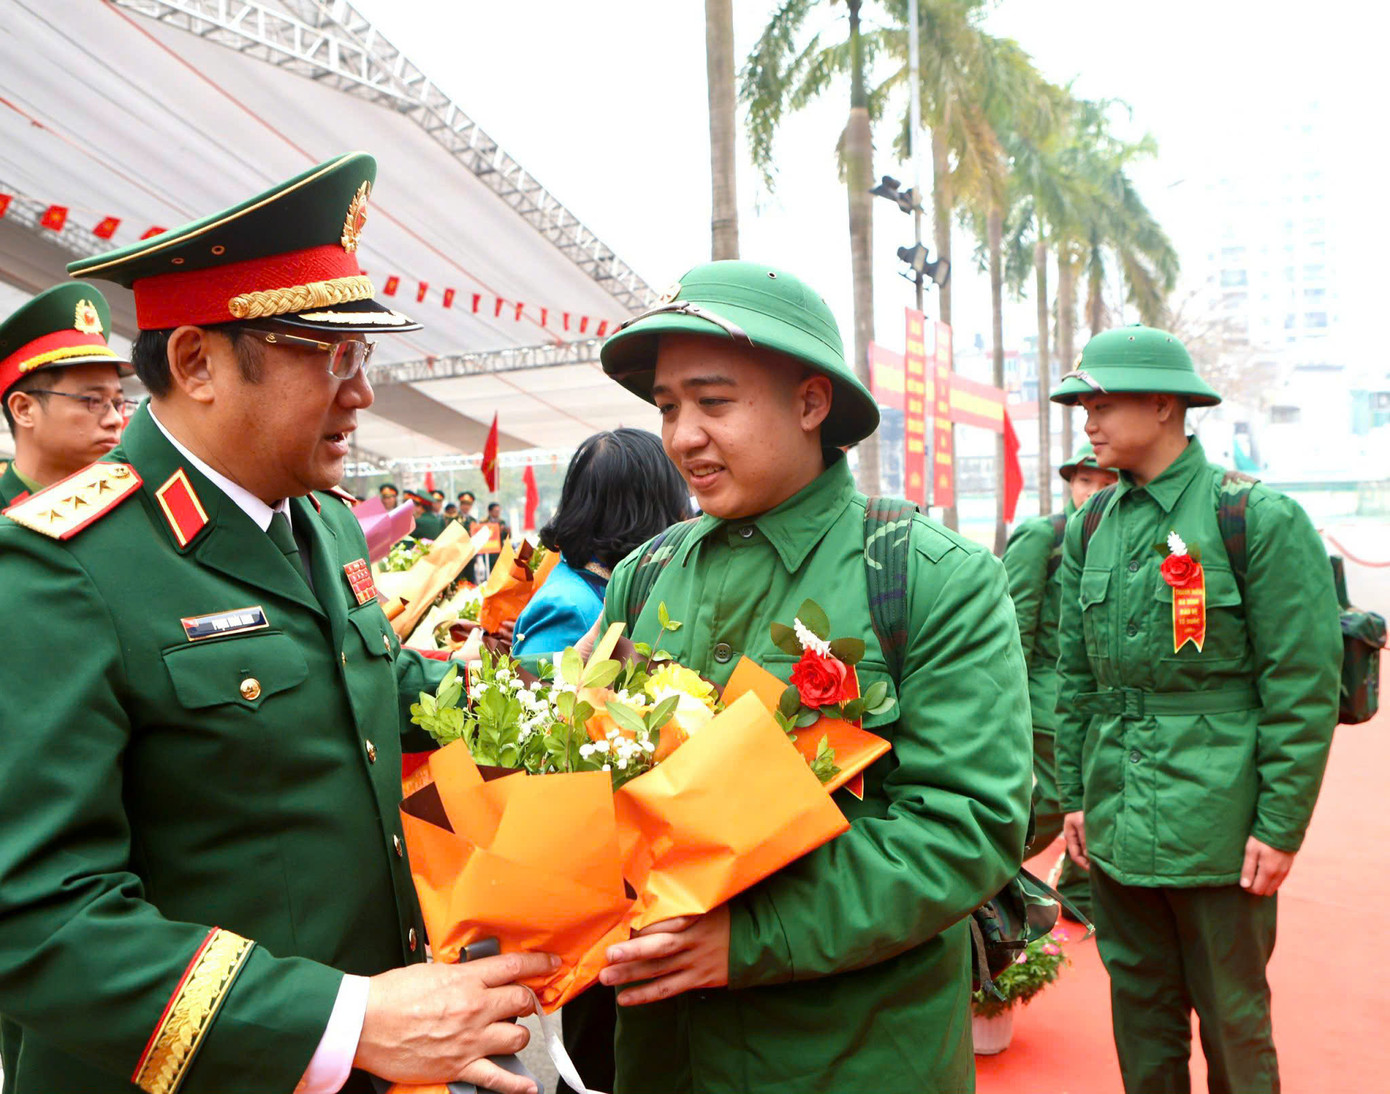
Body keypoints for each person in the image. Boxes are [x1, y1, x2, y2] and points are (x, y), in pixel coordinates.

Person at [0, 153, 551, 1094]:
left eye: (363, 357)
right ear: (196, 363)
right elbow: (36, 915)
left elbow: (378, 689)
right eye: (330, 356)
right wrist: (343, 1021)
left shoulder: (321, 521)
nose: (361, 393)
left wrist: (562, 716)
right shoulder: (59, 563)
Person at [591, 260, 1032, 1092]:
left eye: (714, 402)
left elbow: (966, 825)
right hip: (666, 1055)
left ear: (810, 403)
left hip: (853, 1057)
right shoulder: (642, 578)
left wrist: (751, 936)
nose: (683, 437)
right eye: (668, 407)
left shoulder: (928, 578)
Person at [1051, 324, 1341, 1094]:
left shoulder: (1254, 518)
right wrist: (1075, 796)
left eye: (1103, 405)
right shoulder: (1090, 526)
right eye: (1085, 408)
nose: (1089, 423)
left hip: (1219, 826)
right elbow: (1075, 676)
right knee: (1140, 1016)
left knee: (1233, 1021)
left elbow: (1301, 685)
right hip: (1115, 814)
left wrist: (1280, 824)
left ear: (1164, 405)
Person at [510, 428, 689, 1094]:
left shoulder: (609, 587)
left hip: (620, 873)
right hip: (595, 874)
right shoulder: (572, 602)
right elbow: (545, 733)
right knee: (596, 1051)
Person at [1001, 442, 1116, 918]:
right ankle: (983, 872)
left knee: (1098, 795)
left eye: (1106, 483)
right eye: (1085, 481)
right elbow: (1012, 629)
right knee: (1050, 801)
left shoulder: (1121, 539)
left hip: (1100, 698)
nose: (1092, 492)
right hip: (1046, 700)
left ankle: (1080, 891)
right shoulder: (1043, 536)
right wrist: (1011, 705)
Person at [0, 284, 136, 505]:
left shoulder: (128, 506)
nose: (116, 420)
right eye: (93, 401)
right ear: (24, 410)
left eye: (118, 403)